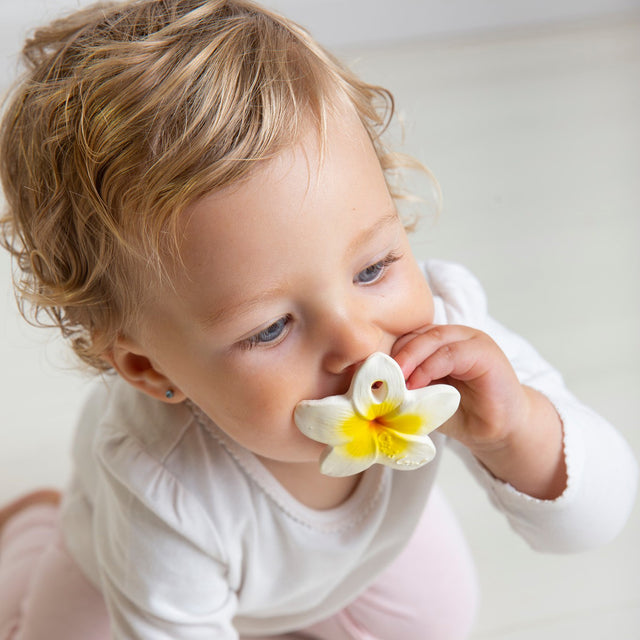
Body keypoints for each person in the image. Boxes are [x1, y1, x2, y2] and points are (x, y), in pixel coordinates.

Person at [0, 0, 636, 638]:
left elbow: (597, 520)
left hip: (363, 561)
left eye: (373, 269)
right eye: (271, 328)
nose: (359, 344)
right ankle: (29, 533)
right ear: (148, 367)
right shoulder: (158, 481)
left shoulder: (449, 337)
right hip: (117, 574)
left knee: (440, 620)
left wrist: (516, 430)